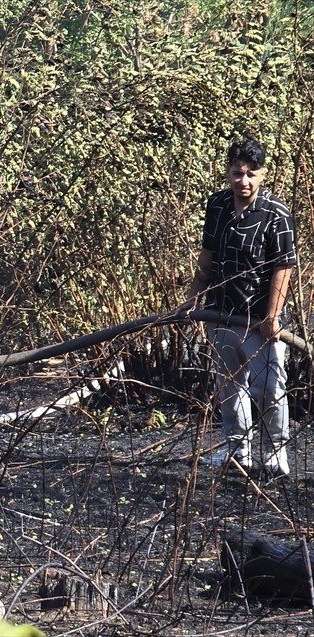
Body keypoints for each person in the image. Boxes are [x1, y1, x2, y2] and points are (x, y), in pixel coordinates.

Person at [178, 137, 296, 478]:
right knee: (230, 386)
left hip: (259, 318)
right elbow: (208, 255)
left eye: (250, 174)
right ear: (228, 173)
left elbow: (283, 267)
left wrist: (271, 316)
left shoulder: (276, 214)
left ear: (262, 175)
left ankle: (275, 455)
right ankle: (236, 450)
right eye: (237, 173)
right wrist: (193, 298)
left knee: (269, 387)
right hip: (220, 312)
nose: (243, 181)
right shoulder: (217, 206)